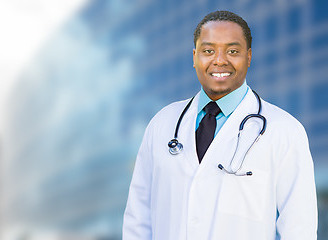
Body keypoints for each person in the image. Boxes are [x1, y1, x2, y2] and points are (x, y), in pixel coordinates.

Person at [123, 10, 317, 240]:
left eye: (233, 51)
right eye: (208, 51)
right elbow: (138, 217)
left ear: (249, 56)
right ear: (195, 57)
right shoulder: (162, 123)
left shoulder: (285, 130)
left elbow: (299, 228)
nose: (219, 60)